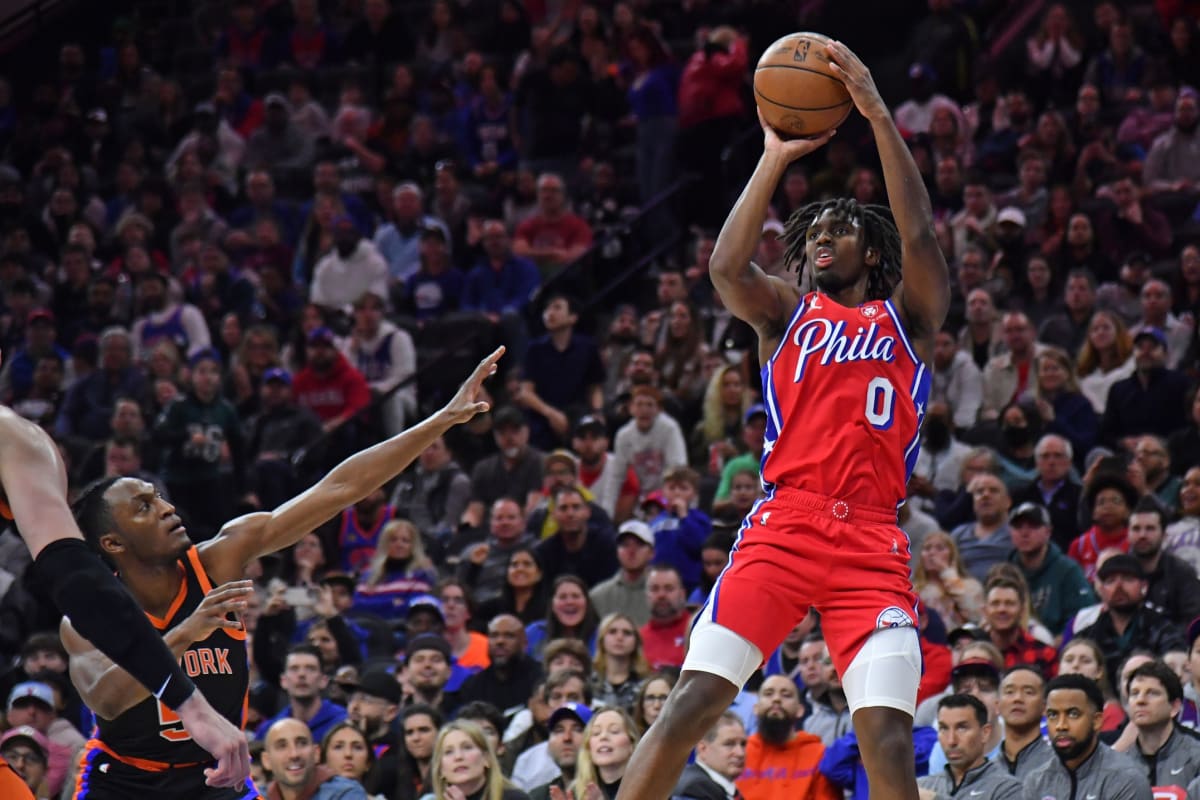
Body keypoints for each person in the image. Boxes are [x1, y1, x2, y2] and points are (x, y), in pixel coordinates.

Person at [614, 41, 950, 800]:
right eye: (811, 231)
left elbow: (924, 231)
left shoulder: (911, 319)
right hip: (785, 526)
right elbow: (726, 269)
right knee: (694, 700)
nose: (823, 236)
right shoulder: (784, 314)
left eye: (839, 226)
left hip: (872, 539)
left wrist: (874, 111)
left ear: (873, 247)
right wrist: (772, 155)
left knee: (888, 739)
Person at [61, 347, 505, 798]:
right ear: (113, 543)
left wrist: (441, 420)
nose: (166, 508)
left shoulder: (218, 560)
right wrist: (186, 632)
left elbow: (339, 489)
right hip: (126, 782)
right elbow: (107, 698)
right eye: (143, 508)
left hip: (217, 778)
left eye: (158, 497)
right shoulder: (90, 615)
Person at [0, 357, 249, 792]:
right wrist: (190, 703)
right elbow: (75, 578)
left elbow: (77, 577)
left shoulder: (14, 440)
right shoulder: (16, 440)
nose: (166, 510)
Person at [1025, 673, 1154, 800]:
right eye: (1053, 715)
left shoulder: (1126, 780)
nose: (1061, 726)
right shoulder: (1036, 781)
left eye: (1073, 714)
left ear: (1097, 721)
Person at [735, 675, 842, 799]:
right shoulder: (739, 752)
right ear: (755, 708)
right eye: (768, 694)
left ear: (800, 710)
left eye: (786, 695)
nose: (776, 699)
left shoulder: (819, 754)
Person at [916, 694, 1022, 799]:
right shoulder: (922, 786)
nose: (951, 740)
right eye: (944, 729)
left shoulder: (1008, 789)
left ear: (985, 733)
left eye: (962, 728)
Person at [1116, 660, 1200, 790]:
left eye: (1152, 693)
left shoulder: (1196, 757)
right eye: (1134, 693)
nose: (1140, 700)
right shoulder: (1120, 766)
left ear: (1174, 707)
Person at [261, 718, 368, 800]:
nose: (294, 754)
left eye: (302, 743)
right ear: (267, 761)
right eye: (282, 746)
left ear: (316, 753)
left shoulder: (346, 793)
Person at [671, 711, 747, 800]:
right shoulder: (694, 790)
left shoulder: (721, 789)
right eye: (729, 744)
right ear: (703, 748)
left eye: (743, 744)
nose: (740, 753)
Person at [994, 665, 1052, 778]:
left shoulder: (1058, 765)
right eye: (1010, 692)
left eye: (1028, 692)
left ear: (1045, 707)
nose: (1018, 698)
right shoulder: (986, 771)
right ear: (997, 706)